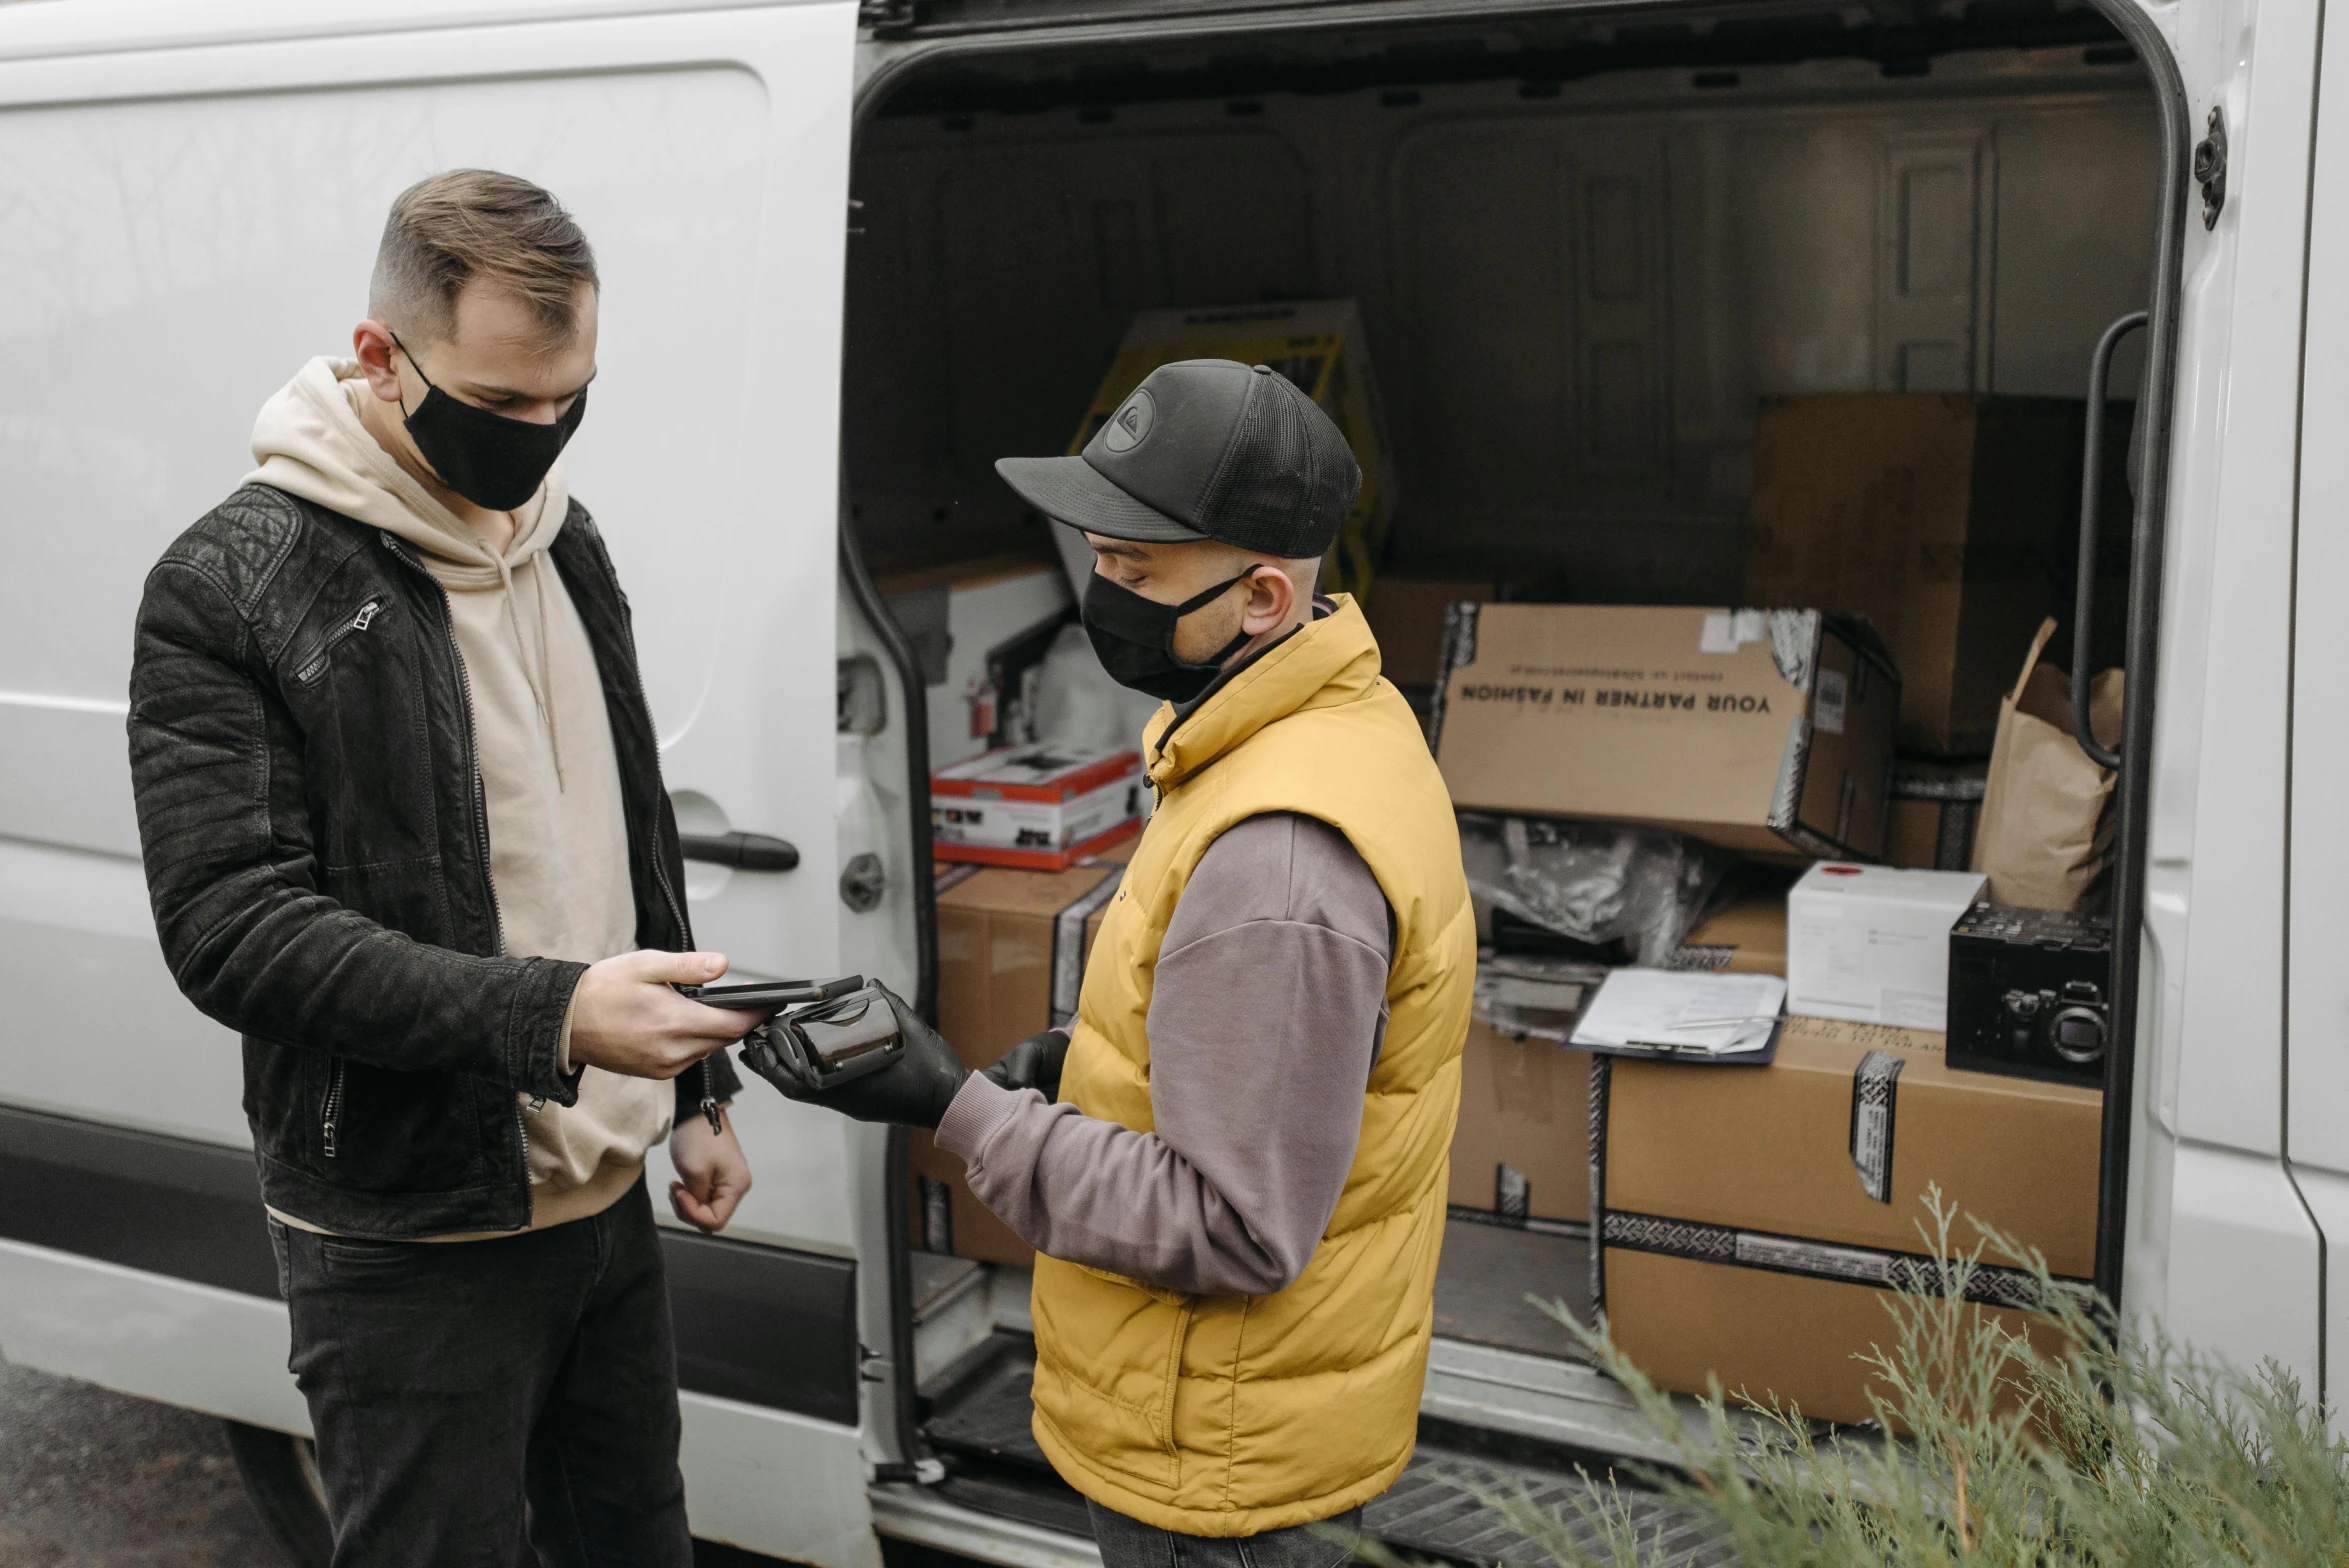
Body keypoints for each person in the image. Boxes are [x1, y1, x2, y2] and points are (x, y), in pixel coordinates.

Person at [126, 169, 775, 1567]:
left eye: (570, 399)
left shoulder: (567, 541)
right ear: (381, 357)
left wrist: (696, 1088)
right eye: (501, 408)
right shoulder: (230, 585)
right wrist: (549, 1016)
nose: (540, 438)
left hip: (609, 1218)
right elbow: (227, 927)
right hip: (411, 1245)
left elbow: (629, 825)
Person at [746, 359, 1475, 1566]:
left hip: (1218, 1478)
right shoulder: (1324, 719)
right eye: (1097, 553)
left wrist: (955, 1104)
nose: (1103, 590)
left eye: (1136, 569)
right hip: (1237, 1425)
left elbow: (1234, 1225)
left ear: (1262, 598)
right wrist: (1090, 1063)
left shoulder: (1280, 855)